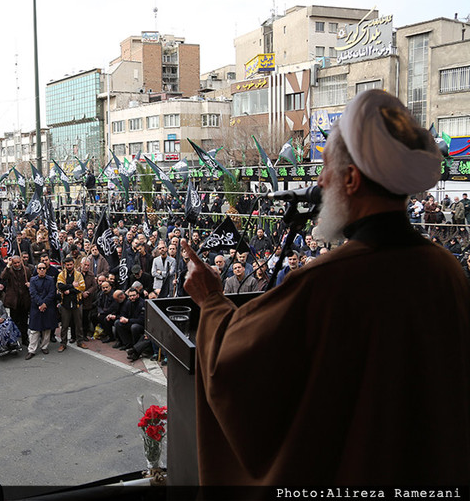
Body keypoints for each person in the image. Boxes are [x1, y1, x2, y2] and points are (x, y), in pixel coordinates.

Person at [182, 89, 470, 485]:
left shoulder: (328, 282)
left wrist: (211, 300)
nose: (319, 181)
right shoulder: (446, 272)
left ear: (351, 179)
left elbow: (230, 364)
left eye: (326, 168)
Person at [56, 257, 88, 352]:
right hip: (65, 304)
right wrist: (72, 285)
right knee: (65, 325)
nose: (69, 266)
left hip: (77, 303)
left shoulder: (78, 275)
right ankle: (63, 343)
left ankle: (80, 341)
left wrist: (69, 290)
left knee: (79, 324)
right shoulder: (61, 275)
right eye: (67, 265)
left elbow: (82, 287)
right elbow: (60, 286)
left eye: (71, 264)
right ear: (65, 265)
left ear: (73, 264)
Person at [26, 261, 57, 358]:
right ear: (37, 270)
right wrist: (40, 303)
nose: (42, 270)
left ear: (46, 269)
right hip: (36, 307)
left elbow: (52, 293)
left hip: (47, 306)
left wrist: (44, 304)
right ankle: (32, 350)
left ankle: (44, 347)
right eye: (40, 268)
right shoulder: (32, 280)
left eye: (44, 268)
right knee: (34, 330)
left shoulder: (51, 280)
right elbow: (33, 293)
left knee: (47, 329)